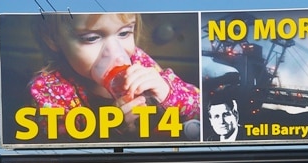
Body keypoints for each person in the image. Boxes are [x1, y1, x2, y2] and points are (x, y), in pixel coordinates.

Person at [29, 13, 200, 140]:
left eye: (124, 33)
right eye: (92, 38)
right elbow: (61, 154)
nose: (117, 55)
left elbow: (199, 107)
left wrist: (167, 92)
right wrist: (110, 131)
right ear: (53, 39)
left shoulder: (138, 60)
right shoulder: (47, 89)